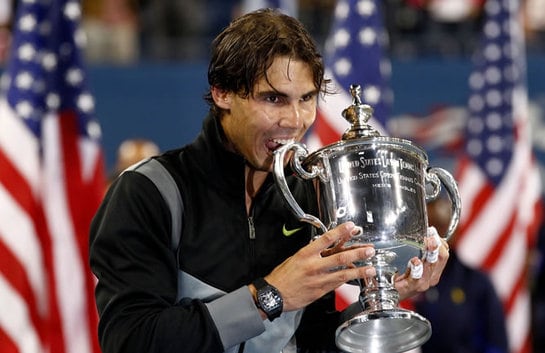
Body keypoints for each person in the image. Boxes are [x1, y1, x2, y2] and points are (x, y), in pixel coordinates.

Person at [89, 8, 450, 353]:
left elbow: (310, 341)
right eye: (273, 98)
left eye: (306, 98)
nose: (294, 120)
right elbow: (131, 341)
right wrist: (269, 296)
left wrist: (381, 303)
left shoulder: (309, 197)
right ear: (222, 93)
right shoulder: (147, 193)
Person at [408, 197, 509, 353]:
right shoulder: (405, 280)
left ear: (455, 231)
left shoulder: (478, 283)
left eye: (443, 228)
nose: (437, 238)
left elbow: (497, 342)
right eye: (431, 228)